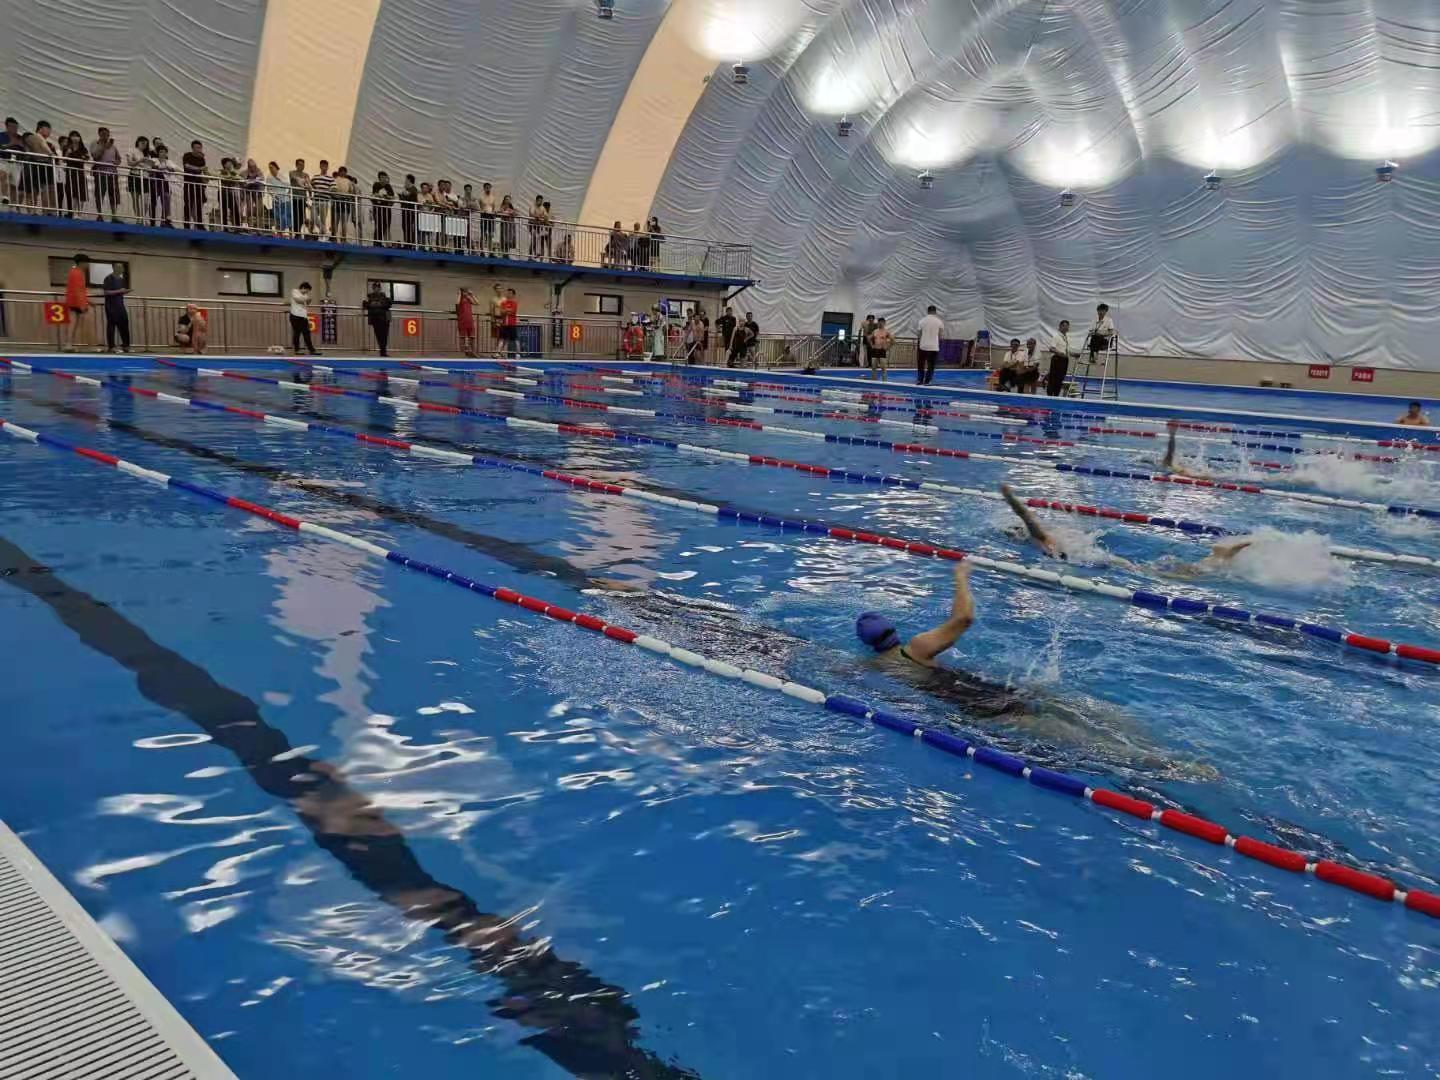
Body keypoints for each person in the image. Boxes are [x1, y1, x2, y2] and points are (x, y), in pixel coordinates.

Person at [856, 563, 976, 672]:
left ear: (867, 642)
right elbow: (964, 618)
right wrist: (961, 576)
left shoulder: (876, 665)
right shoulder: (918, 647)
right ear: (892, 628)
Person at [20, 120, 58, 212]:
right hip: (33, 166)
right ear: (40, 128)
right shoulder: (32, 137)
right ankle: (32, 211)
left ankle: (47, 211)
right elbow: (36, 144)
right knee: (33, 190)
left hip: (46, 167)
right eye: (47, 129)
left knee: (47, 190)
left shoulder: (49, 144)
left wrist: (51, 153)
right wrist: (50, 153)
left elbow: (55, 157)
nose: (49, 132)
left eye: (50, 130)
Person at [90, 127, 121, 221]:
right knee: (99, 194)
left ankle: (114, 216)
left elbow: (119, 159)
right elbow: (95, 156)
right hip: (100, 173)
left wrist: (116, 162)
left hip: (112, 173)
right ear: (99, 134)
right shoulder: (95, 144)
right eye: (103, 134)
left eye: (107, 134)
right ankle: (99, 215)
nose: (106, 136)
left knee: (114, 195)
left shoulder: (113, 146)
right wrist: (104, 147)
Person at [61, 253, 90, 351]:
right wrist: (82, 304)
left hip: (75, 300)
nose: (87, 265)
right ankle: (68, 344)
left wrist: (88, 301)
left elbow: (81, 290)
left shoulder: (76, 272)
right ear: (81, 263)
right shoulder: (77, 272)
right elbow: (77, 290)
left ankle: (69, 344)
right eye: (86, 263)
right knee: (73, 323)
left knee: (74, 323)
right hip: (75, 301)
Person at [101, 264, 130, 353]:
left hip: (120, 305)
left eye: (122, 268)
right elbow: (106, 292)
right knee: (111, 325)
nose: (122, 269)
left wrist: (125, 291)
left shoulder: (122, 280)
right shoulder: (108, 278)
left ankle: (126, 346)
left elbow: (121, 291)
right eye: (119, 267)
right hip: (111, 305)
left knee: (124, 324)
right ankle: (111, 346)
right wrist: (119, 291)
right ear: (114, 268)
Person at [1046, 319, 1078, 396]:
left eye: (1067, 326)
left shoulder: (1065, 338)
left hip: (1064, 360)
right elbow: (1051, 348)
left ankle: (1056, 394)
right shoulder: (1056, 337)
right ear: (1060, 327)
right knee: (1054, 378)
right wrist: (1059, 353)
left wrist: (1074, 354)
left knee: (1060, 378)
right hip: (1057, 359)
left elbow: (1066, 351)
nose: (1066, 327)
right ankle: (1050, 395)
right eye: (1064, 326)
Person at [61, 132, 89, 218]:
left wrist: (84, 157)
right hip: (71, 172)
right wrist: (68, 152)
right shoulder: (67, 147)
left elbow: (87, 158)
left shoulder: (83, 148)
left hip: (80, 172)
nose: (75, 138)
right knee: (73, 193)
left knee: (81, 193)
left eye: (77, 136)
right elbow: (64, 160)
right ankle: (73, 213)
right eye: (73, 136)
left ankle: (80, 213)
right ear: (70, 138)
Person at [124, 135, 151, 220]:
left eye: (145, 144)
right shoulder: (132, 150)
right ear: (138, 142)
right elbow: (129, 163)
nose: (144, 145)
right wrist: (140, 161)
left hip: (145, 177)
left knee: (146, 201)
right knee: (135, 199)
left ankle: (143, 217)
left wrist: (148, 166)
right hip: (134, 175)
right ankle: (138, 218)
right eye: (142, 143)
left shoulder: (147, 155)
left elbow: (149, 167)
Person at [181, 140, 206, 229]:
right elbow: (187, 166)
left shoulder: (202, 159)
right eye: (197, 147)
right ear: (192, 148)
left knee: (199, 204)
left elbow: (203, 170)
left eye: (200, 148)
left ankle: (199, 224)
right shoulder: (187, 155)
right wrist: (198, 168)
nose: (199, 149)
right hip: (189, 183)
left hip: (199, 184)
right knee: (188, 203)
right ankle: (186, 224)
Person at [362, 281, 392, 356]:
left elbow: (388, 304)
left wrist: (375, 304)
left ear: (380, 288)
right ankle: (382, 351)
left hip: (384, 319)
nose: (376, 289)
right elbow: (366, 305)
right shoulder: (370, 297)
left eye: (377, 288)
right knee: (379, 336)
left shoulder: (384, 296)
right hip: (376, 319)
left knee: (384, 336)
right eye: (375, 288)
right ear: (373, 288)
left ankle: (383, 351)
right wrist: (375, 304)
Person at [916, 305, 943, 385]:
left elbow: (919, 334)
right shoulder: (939, 322)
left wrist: (922, 341)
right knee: (931, 365)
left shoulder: (922, 321)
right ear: (935, 312)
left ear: (927, 311)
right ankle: (927, 381)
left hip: (923, 346)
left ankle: (920, 380)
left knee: (921, 364)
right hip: (934, 347)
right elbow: (940, 335)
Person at [289, 282, 318, 355]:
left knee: (307, 333)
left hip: (303, 316)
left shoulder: (305, 295)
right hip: (295, 315)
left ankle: (311, 350)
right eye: (307, 290)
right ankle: (297, 350)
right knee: (297, 333)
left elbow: (307, 303)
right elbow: (298, 300)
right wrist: (306, 300)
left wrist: (309, 300)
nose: (307, 292)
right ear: (303, 288)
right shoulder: (295, 291)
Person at [332, 166, 357, 242]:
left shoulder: (348, 181)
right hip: (337, 201)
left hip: (345, 202)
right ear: (339, 172)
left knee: (344, 222)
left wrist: (349, 195)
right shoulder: (335, 180)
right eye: (341, 171)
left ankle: (343, 238)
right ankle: (334, 237)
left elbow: (352, 192)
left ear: (346, 173)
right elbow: (332, 191)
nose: (343, 173)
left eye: (344, 172)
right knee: (336, 221)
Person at [310, 160, 334, 239]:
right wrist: (310, 194)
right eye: (322, 166)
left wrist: (327, 191)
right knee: (313, 217)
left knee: (323, 219)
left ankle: (322, 237)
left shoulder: (330, 178)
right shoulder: (315, 177)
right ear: (320, 166)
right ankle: (324, 231)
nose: (324, 167)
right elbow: (311, 185)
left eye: (325, 166)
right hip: (315, 200)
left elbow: (334, 188)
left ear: (327, 167)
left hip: (324, 201)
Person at [265, 161, 290, 233]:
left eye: (272, 167)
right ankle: (279, 231)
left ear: (276, 167)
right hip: (275, 199)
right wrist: (274, 195)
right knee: (277, 216)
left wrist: (279, 178)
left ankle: (284, 230)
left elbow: (287, 184)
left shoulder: (282, 175)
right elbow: (269, 189)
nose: (271, 169)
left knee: (285, 216)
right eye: (269, 168)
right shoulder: (269, 177)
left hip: (285, 199)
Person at [287, 159, 310, 238]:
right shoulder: (292, 172)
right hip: (294, 197)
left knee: (302, 215)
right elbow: (295, 179)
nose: (302, 166)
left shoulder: (306, 174)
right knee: (295, 215)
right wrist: (303, 184)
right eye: (300, 164)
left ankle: (298, 232)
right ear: (296, 165)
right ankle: (296, 232)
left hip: (303, 197)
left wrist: (310, 195)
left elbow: (308, 184)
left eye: (303, 164)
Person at [372, 171, 395, 244]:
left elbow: (393, 196)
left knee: (386, 226)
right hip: (378, 208)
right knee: (378, 225)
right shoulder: (376, 184)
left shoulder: (388, 186)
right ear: (379, 178)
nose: (384, 179)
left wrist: (388, 197)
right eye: (382, 177)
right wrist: (380, 195)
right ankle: (376, 243)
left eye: (385, 177)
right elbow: (375, 194)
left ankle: (384, 243)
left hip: (387, 209)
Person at [398, 173, 419, 248]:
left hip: (410, 211)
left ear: (409, 180)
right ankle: (407, 242)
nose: (405, 182)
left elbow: (408, 195)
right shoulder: (408, 189)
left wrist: (403, 193)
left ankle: (410, 244)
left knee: (409, 227)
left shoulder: (413, 189)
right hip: (405, 211)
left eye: (406, 180)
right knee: (405, 227)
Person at [456, 286, 478, 356]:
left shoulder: (468, 299)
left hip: (470, 320)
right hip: (462, 320)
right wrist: (459, 294)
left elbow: (477, 303)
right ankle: (463, 353)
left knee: (472, 337)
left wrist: (472, 295)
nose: (466, 293)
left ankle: (473, 352)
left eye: (466, 292)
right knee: (462, 337)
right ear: (462, 292)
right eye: (464, 292)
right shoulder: (460, 299)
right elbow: (457, 303)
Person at [500, 287, 520, 358]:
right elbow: (501, 312)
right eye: (507, 293)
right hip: (504, 324)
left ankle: (518, 354)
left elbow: (512, 311)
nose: (508, 294)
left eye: (510, 293)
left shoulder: (514, 303)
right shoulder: (503, 303)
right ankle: (499, 353)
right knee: (502, 339)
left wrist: (506, 310)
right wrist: (506, 310)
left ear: (513, 295)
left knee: (515, 339)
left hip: (512, 324)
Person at [489, 282, 505, 352]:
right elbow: (491, 310)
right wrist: (493, 320)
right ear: (495, 290)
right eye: (497, 289)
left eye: (500, 288)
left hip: (504, 319)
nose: (499, 290)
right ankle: (497, 351)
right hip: (496, 318)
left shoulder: (505, 299)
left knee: (504, 336)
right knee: (497, 336)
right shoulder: (493, 299)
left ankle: (501, 351)